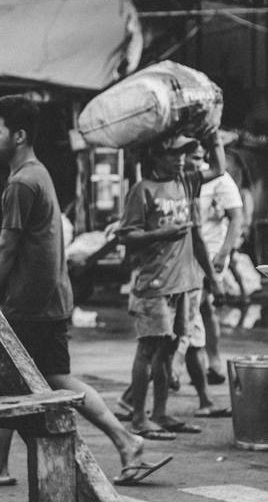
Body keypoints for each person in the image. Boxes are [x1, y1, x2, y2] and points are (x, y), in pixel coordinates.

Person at [0, 94, 168, 487]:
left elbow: (8, 247)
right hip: (47, 301)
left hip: (30, 305)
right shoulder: (37, 174)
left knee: (13, 380)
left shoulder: (21, 183)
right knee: (45, 379)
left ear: (19, 135)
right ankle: (125, 441)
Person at [118, 133, 226, 439]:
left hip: (184, 283)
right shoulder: (142, 190)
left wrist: (213, 134)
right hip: (154, 284)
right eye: (173, 153)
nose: (180, 159)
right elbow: (127, 235)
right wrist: (161, 234)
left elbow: (218, 169)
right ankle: (139, 418)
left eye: (183, 154)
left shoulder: (187, 182)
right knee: (148, 349)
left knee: (167, 350)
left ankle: (161, 413)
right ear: (156, 156)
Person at [187, 143, 240, 408]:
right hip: (189, 255)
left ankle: (209, 362)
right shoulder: (184, 179)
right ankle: (207, 366)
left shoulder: (219, 180)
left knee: (198, 310)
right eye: (191, 157)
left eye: (199, 157)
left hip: (211, 252)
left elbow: (236, 218)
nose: (195, 162)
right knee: (201, 309)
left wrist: (223, 253)